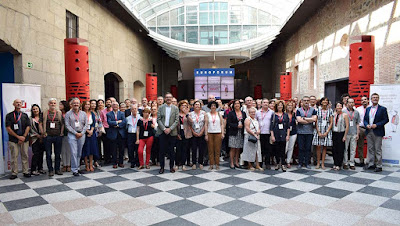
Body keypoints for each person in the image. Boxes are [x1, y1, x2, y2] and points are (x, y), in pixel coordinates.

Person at [6, 99, 31, 179]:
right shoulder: (9, 115)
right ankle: (14, 173)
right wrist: (18, 137)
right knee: (14, 156)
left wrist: (23, 136)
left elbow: (28, 126)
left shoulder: (25, 115)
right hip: (13, 139)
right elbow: (8, 128)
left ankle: (25, 171)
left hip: (24, 139)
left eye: (20, 103)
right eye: (17, 103)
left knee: (25, 155)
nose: (18, 104)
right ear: (14, 104)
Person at [363, 93, 389, 172]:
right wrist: (366, 124)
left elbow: (386, 120)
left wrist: (377, 125)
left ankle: (379, 165)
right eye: (373, 97)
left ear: (378, 99)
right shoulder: (368, 109)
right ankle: (371, 164)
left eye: (376, 97)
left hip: (378, 131)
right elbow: (365, 119)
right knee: (370, 148)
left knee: (378, 149)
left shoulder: (383, 109)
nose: (375, 99)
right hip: (369, 131)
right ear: (371, 99)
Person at [65, 98, 89, 176]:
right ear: (71, 105)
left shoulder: (83, 114)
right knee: (74, 152)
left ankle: (78, 167)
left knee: (79, 152)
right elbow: (67, 125)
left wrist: (82, 133)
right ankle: (74, 170)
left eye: (77, 103)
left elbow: (86, 124)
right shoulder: (68, 114)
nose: (76, 104)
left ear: (80, 104)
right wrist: (75, 133)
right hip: (72, 134)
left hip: (81, 134)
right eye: (74, 103)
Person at [157, 92, 179, 174]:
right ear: (165, 99)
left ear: (172, 98)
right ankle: (162, 167)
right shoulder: (161, 107)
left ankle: (171, 167)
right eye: (167, 97)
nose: (168, 98)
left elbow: (177, 120)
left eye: (170, 97)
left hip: (172, 132)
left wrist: (170, 128)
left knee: (172, 151)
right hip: (162, 131)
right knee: (162, 150)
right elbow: (158, 119)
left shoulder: (175, 108)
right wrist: (164, 128)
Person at [42, 98, 64, 176]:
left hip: (58, 136)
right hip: (48, 136)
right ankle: (50, 170)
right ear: (48, 104)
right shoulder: (44, 112)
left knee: (57, 154)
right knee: (48, 154)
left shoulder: (59, 113)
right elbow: (41, 123)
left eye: (54, 103)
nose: (53, 104)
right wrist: (43, 132)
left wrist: (61, 132)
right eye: (51, 103)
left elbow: (62, 124)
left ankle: (57, 169)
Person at [312, 97, 333, 170]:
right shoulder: (317, 110)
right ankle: (318, 163)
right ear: (321, 102)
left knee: (324, 147)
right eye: (323, 100)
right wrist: (318, 131)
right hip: (319, 129)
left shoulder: (330, 111)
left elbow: (331, 122)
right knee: (318, 146)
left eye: (326, 101)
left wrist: (327, 131)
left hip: (326, 130)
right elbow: (316, 121)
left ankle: (323, 163)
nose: (325, 102)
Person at [296, 96, 317, 169]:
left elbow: (314, 119)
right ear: (302, 101)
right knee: (301, 148)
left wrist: (304, 118)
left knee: (308, 148)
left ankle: (307, 163)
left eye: (308, 100)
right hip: (300, 132)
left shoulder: (313, 110)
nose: (306, 102)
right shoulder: (298, 110)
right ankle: (300, 163)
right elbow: (299, 120)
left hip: (309, 132)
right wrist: (309, 120)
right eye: (305, 100)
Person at [270, 101, 290, 172]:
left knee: (283, 150)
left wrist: (288, 135)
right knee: (276, 150)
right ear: (276, 106)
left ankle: (283, 164)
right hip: (276, 134)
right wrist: (272, 136)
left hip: (283, 134)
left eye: (281, 105)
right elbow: (271, 127)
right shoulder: (273, 115)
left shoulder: (285, 115)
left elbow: (288, 127)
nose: (280, 107)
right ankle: (277, 163)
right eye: (278, 105)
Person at [204, 101, 224, 170]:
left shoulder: (219, 114)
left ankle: (217, 164)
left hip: (218, 132)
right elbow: (206, 124)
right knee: (210, 149)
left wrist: (223, 133)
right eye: (212, 106)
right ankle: (211, 164)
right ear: (210, 107)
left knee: (217, 149)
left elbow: (222, 124)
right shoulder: (207, 114)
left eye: (214, 106)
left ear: (216, 107)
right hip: (210, 133)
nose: (213, 107)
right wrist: (206, 134)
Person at [107, 102, 127, 168]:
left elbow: (124, 121)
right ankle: (114, 163)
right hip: (113, 134)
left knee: (121, 149)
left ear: (118, 106)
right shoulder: (109, 114)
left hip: (121, 133)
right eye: (114, 105)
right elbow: (109, 122)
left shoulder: (122, 113)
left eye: (116, 105)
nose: (115, 106)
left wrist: (118, 125)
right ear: (112, 106)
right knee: (114, 149)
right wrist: (117, 122)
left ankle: (121, 162)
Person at [227, 100, 246, 169]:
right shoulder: (231, 113)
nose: (237, 105)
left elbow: (245, 121)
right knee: (233, 148)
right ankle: (231, 162)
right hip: (233, 132)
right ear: (233, 105)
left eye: (238, 104)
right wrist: (236, 126)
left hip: (241, 132)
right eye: (235, 104)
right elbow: (229, 123)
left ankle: (236, 162)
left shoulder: (243, 113)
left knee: (238, 148)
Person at [188, 100, 206, 170]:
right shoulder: (190, 114)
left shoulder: (204, 113)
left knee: (201, 149)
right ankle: (194, 163)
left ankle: (201, 163)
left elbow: (205, 123)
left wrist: (202, 131)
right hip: (193, 134)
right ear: (193, 106)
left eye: (199, 105)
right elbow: (189, 125)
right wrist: (193, 132)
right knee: (194, 149)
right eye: (196, 105)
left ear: (201, 106)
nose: (197, 106)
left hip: (202, 133)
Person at [256, 98, 274, 169]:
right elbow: (255, 121)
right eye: (264, 102)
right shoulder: (257, 112)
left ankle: (267, 163)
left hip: (268, 133)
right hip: (260, 133)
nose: (265, 104)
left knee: (268, 149)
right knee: (260, 149)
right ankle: (260, 163)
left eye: (267, 102)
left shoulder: (272, 112)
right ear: (261, 103)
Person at [82, 101, 99, 172]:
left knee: (92, 149)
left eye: (88, 104)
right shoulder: (81, 113)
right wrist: (87, 131)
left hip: (92, 132)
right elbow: (81, 123)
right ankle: (86, 165)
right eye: (86, 104)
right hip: (84, 132)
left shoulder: (92, 113)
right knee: (86, 149)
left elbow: (94, 123)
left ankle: (91, 164)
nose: (87, 106)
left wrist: (91, 130)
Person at [343, 98, 360, 170]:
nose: (351, 104)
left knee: (353, 149)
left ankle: (352, 163)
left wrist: (357, 134)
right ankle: (345, 163)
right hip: (346, 133)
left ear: (354, 103)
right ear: (347, 103)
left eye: (352, 102)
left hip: (354, 133)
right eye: (349, 102)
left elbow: (357, 123)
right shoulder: (343, 111)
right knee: (345, 149)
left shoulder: (356, 112)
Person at [332, 102, 349, 170]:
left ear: (342, 107)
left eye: (340, 106)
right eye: (337, 106)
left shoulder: (344, 115)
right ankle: (335, 163)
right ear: (335, 107)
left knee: (340, 149)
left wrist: (345, 136)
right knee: (334, 149)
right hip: (334, 133)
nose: (339, 107)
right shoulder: (333, 115)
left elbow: (347, 126)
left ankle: (339, 164)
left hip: (341, 133)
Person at [30, 104, 45, 176]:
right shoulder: (30, 119)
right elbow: (30, 129)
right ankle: (33, 169)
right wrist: (37, 135)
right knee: (35, 154)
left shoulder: (42, 118)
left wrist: (43, 135)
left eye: (36, 109)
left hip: (43, 138)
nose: (35, 110)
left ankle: (40, 168)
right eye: (34, 109)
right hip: (35, 139)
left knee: (41, 154)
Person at [176, 100, 192, 171]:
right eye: (182, 106)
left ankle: (183, 164)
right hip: (179, 133)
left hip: (186, 134)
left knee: (185, 150)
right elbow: (175, 125)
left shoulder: (189, 114)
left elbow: (191, 122)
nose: (184, 107)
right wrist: (177, 134)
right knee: (178, 150)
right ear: (179, 107)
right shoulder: (176, 114)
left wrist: (187, 114)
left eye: (185, 106)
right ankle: (177, 164)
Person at [355, 96, 369, 166]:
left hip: (370, 128)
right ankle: (361, 161)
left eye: (365, 99)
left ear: (368, 100)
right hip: (361, 128)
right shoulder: (358, 109)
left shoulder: (371, 108)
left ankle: (370, 161)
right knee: (360, 145)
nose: (364, 101)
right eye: (362, 100)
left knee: (371, 145)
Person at [126, 104, 140, 168]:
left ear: (137, 109)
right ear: (131, 110)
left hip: (137, 134)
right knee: (130, 149)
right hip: (130, 134)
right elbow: (126, 127)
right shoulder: (128, 118)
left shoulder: (140, 117)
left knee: (137, 149)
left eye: (135, 109)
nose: (134, 110)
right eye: (133, 109)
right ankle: (132, 162)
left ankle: (137, 161)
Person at [100, 98, 112, 164]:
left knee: (112, 144)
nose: (108, 103)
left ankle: (112, 158)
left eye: (109, 102)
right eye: (107, 102)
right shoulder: (103, 111)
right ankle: (106, 159)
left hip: (112, 128)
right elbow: (101, 121)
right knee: (105, 144)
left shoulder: (113, 110)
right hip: (105, 129)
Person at [285, 101, 297, 168]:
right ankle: (282, 160)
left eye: (291, 105)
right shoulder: (284, 114)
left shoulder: (294, 114)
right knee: (285, 148)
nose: (290, 107)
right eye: (288, 105)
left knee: (291, 147)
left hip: (293, 133)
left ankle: (288, 161)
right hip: (285, 133)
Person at [60, 100, 71, 172]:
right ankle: (64, 164)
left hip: (68, 133)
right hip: (60, 134)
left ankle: (68, 164)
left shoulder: (69, 113)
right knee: (63, 150)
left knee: (69, 150)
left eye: (61, 104)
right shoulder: (59, 113)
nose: (59, 106)